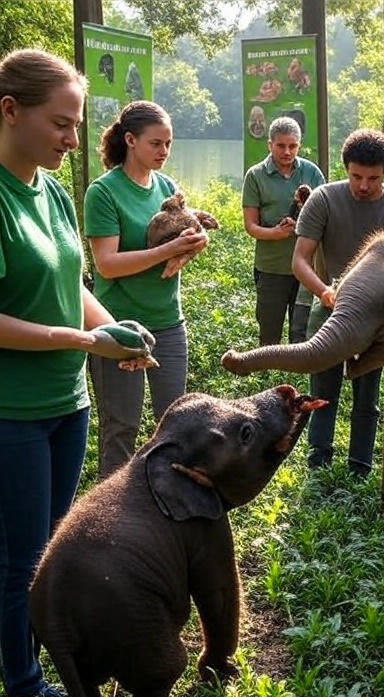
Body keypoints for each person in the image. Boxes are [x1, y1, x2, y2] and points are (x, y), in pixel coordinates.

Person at [0, 50, 155, 697]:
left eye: (76, 124)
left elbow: (76, 286)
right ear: (10, 111)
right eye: (60, 124)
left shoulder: (54, 190)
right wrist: (81, 342)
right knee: (20, 556)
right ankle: (27, 689)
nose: (72, 139)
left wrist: (110, 327)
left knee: (48, 550)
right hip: (13, 412)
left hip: (69, 403)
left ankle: (30, 649)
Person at [84, 101, 210, 478]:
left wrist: (194, 242)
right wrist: (166, 251)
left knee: (175, 422)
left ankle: (164, 503)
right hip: (119, 324)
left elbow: (184, 233)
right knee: (121, 427)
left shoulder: (167, 186)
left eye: (168, 144)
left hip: (169, 324)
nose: (164, 152)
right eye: (156, 143)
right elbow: (107, 264)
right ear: (130, 140)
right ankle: (109, 516)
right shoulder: (103, 192)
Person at [292, 128, 384, 475]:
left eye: (373, 179)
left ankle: (360, 467)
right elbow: (300, 260)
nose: (363, 185)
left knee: (367, 398)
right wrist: (324, 291)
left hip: (377, 320)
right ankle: (318, 463)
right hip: (328, 309)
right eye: (356, 176)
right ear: (345, 168)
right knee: (322, 391)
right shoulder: (323, 199)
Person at [242, 117, 325, 345]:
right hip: (271, 268)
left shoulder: (311, 172)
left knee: (305, 335)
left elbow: (325, 217)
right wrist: (275, 233)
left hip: (307, 268)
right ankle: (269, 377)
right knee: (269, 334)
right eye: (281, 146)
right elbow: (250, 226)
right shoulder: (255, 175)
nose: (287, 151)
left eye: (293, 146)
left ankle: (299, 378)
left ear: (299, 145)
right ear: (270, 145)